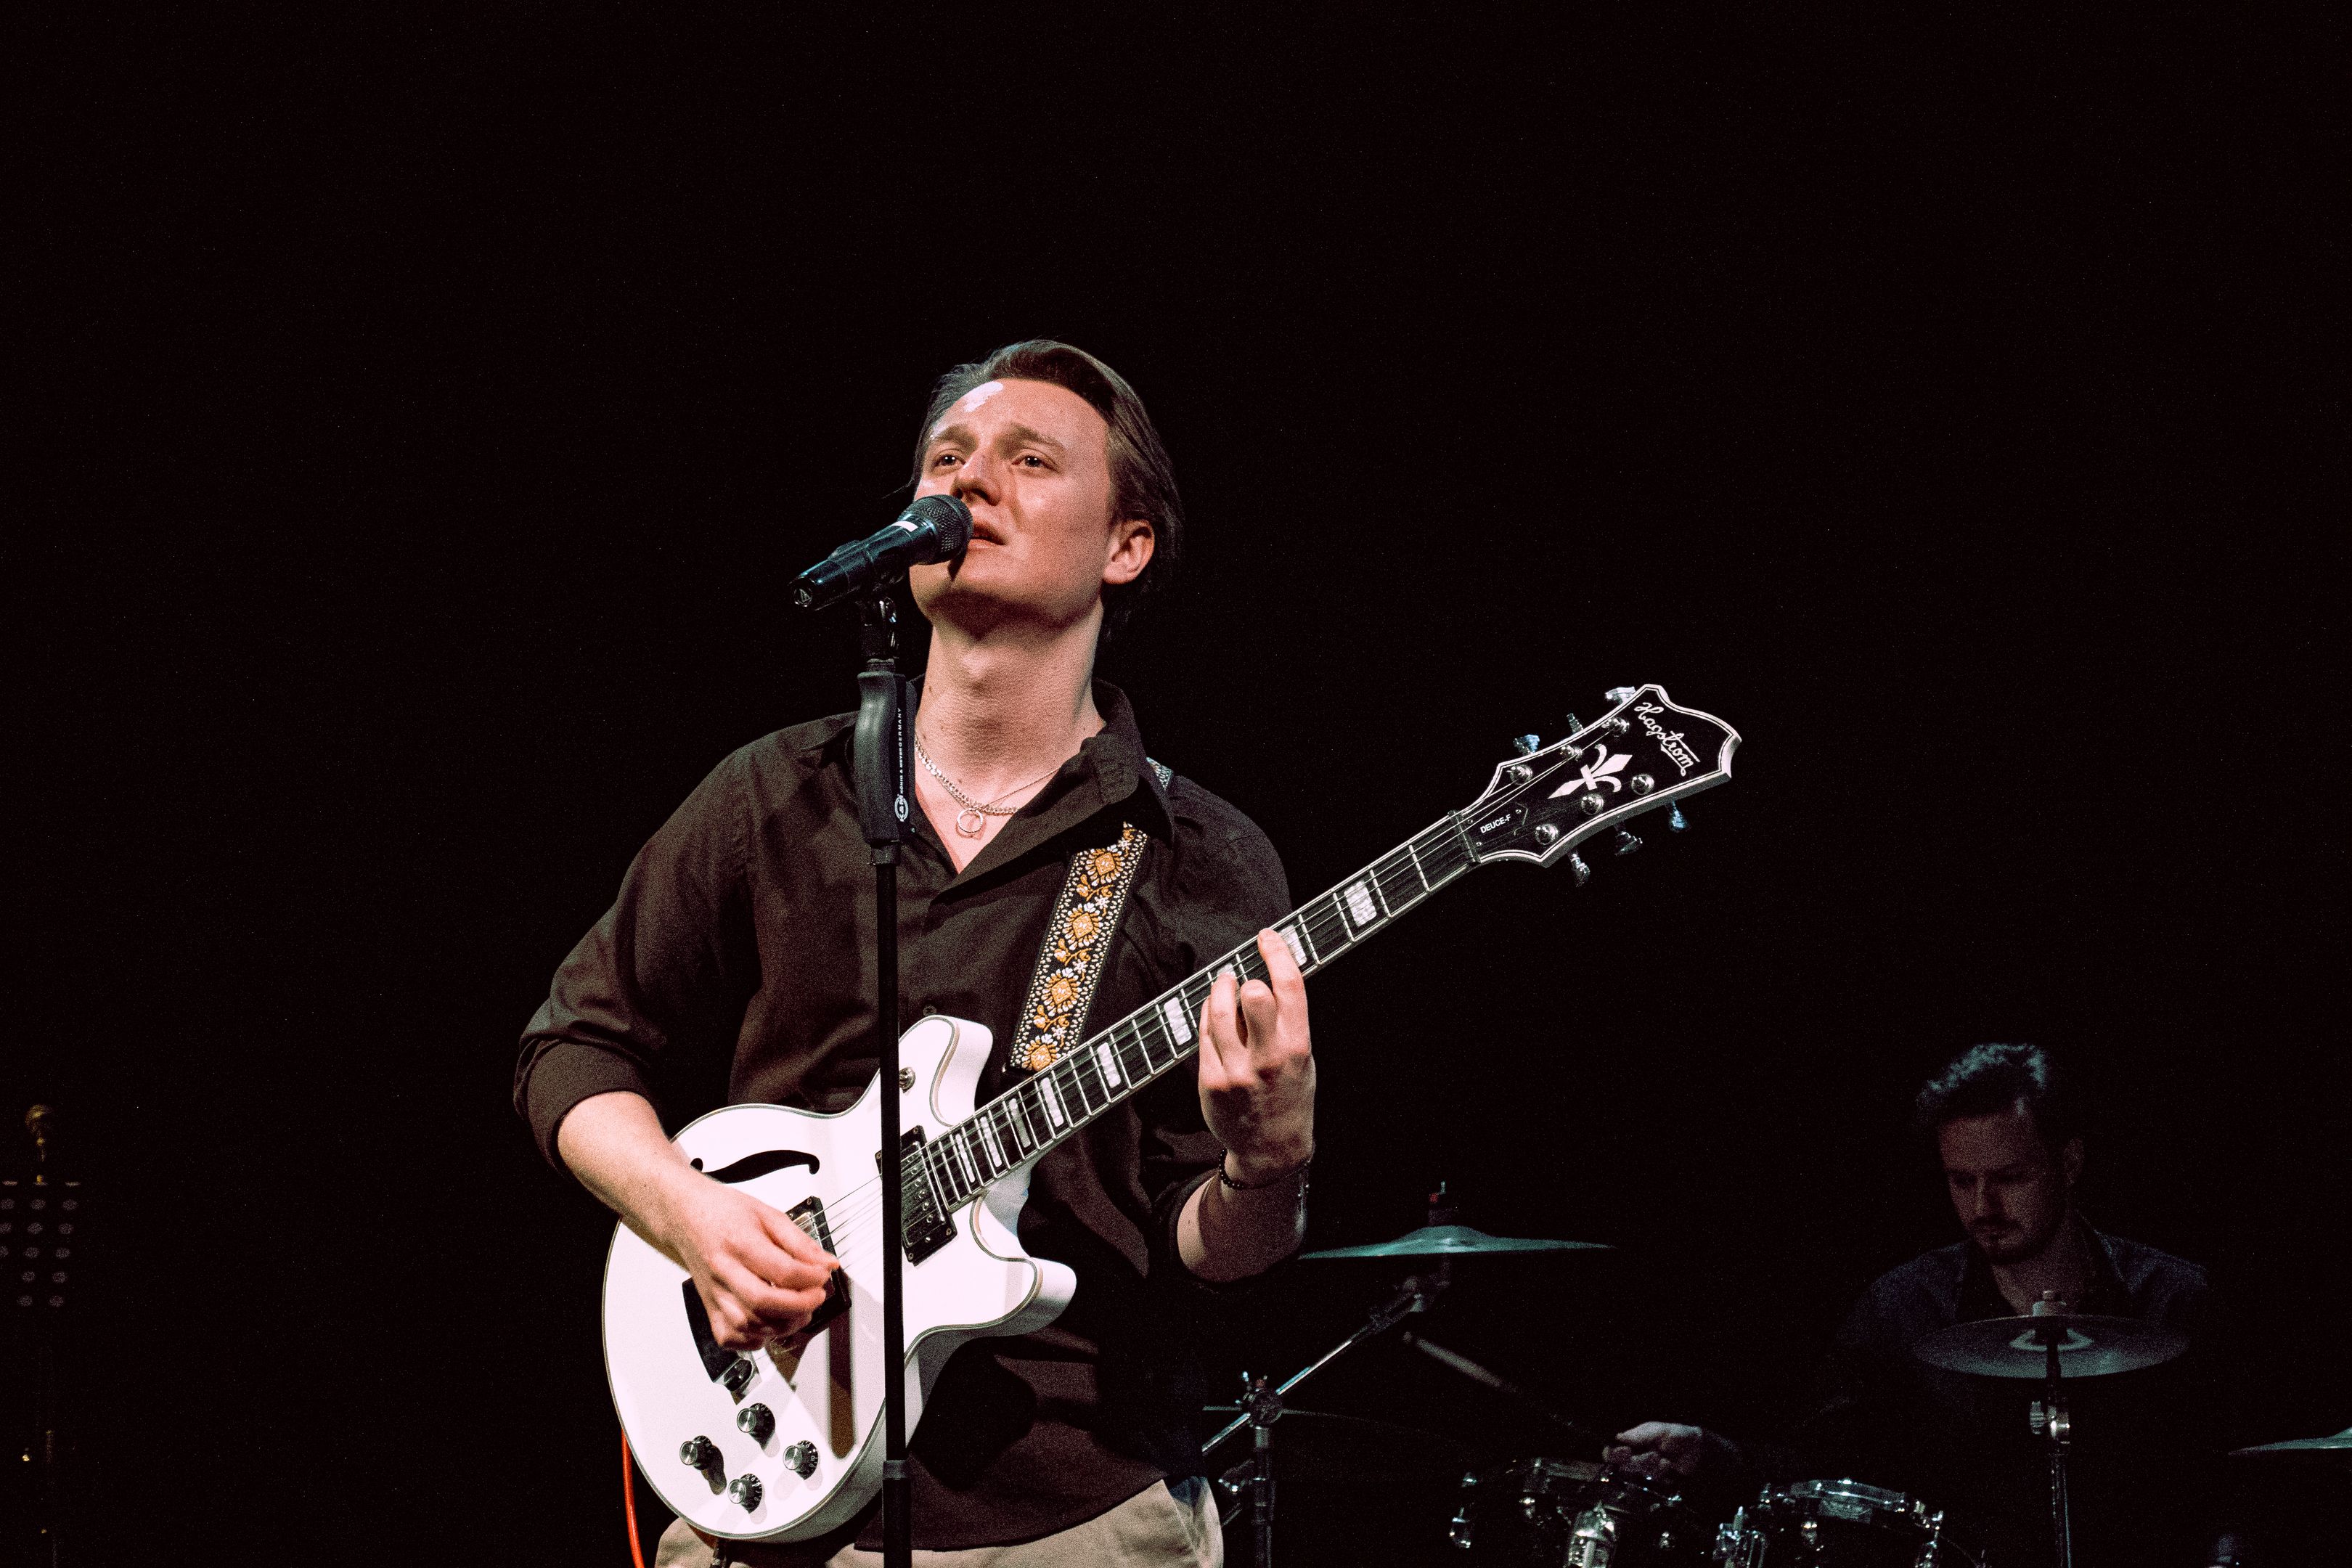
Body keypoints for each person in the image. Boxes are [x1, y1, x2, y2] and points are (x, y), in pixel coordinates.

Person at [515, 341, 1315, 1566]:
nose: (970, 481)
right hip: (767, 1493)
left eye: (1029, 461)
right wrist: (688, 1216)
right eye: (948, 459)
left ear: (1127, 546)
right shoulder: (777, 793)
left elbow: (1206, 1248)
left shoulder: (1194, 855)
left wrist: (1269, 1165)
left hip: (1071, 1519)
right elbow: (573, 1047)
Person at [1607, 1043, 2236, 1564]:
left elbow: (2236, 1487)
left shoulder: (2174, 1300)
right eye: (1962, 1181)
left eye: (2010, 1178)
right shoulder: (1903, 1308)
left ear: (2068, 1163)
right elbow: (1821, 1472)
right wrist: (1709, 1453)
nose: (1983, 1206)